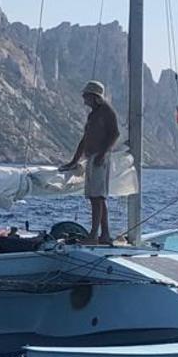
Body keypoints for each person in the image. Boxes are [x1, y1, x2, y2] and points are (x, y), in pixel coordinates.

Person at [58, 80, 120, 244]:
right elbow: (85, 139)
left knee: (97, 197)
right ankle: (104, 234)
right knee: (97, 198)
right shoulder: (93, 114)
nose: (84, 99)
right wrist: (74, 161)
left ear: (94, 97)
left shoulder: (107, 111)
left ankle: (94, 235)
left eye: (86, 96)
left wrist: (102, 153)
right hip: (93, 156)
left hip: (100, 158)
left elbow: (114, 134)